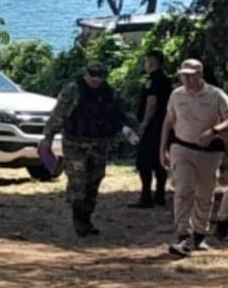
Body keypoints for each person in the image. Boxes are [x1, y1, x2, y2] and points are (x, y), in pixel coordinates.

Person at [39, 61, 142, 237]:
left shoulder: (107, 92)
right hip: (75, 144)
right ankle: (78, 218)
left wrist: (136, 129)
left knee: (94, 181)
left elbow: (120, 112)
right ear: (85, 74)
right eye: (92, 76)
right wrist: (47, 138)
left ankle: (86, 218)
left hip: (99, 144)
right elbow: (58, 115)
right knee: (78, 181)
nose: (95, 81)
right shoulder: (73, 90)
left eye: (99, 77)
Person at [163, 59, 228, 257]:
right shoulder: (176, 95)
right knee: (183, 189)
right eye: (184, 75)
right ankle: (184, 234)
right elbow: (168, 122)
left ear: (200, 74)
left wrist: (214, 131)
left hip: (210, 152)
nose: (188, 79)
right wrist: (162, 149)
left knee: (204, 194)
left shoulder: (216, 95)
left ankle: (200, 233)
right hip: (181, 148)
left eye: (192, 75)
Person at [129, 50, 173, 208]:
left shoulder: (153, 80)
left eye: (147, 61)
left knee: (144, 161)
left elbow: (152, 102)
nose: (145, 65)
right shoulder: (166, 80)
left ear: (152, 62)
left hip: (153, 126)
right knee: (160, 158)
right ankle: (160, 194)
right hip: (165, 125)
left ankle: (146, 195)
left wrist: (145, 123)